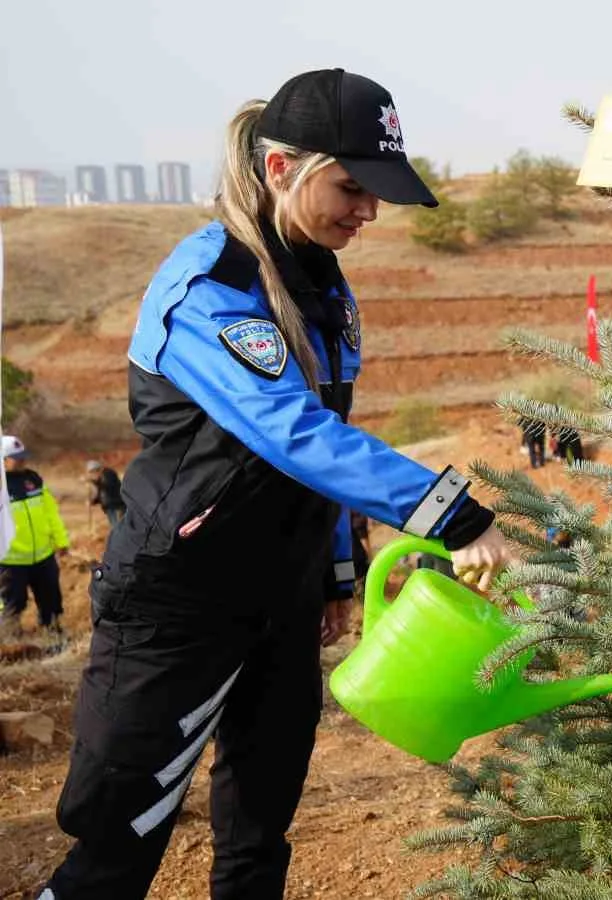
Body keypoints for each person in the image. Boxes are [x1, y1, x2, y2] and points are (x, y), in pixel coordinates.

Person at [41, 69, 518, 900]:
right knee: (118, 845)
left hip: (283, 601)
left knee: (259, 833)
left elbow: (317, 451)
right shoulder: (213, 287)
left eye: (378, 193)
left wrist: (333, 572)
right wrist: (455, 514)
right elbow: (294, 437)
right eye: (353, 186)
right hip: (180, 602)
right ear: (280, 168)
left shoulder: (322, 283)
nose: (369, 212)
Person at [1, 435, 69, 640]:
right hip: (10, 562)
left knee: (51, 601)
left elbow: (51, 513)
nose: (22, 461)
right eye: (16, 458)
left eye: (23, 457)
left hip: (43, 557)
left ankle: (53, 635)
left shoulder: (34, 480)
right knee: (13, 605)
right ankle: (10, 643)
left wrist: (61, 541)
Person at [83, 461, 127, 530]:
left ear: (97, 470)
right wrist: (92, 502)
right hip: (109, 508)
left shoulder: (109, 474)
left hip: (117, 506)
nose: (93, 475)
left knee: (119, 528)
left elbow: (108, 487)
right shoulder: (100, 478)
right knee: (115, 527)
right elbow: (102, 494)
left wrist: (94, 482)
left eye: (93, 473)